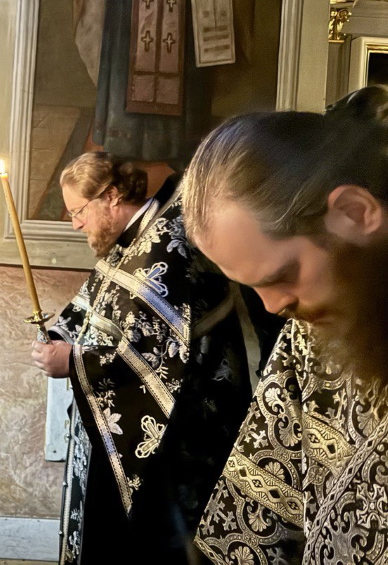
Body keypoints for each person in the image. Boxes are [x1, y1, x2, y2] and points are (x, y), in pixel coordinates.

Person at [182, 92, 388, 564]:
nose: (274, 306)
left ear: (355, 212)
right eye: (253, 288)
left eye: (283, 275)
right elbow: (252, 523)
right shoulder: (308, 335)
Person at [30, 152, 252, 564]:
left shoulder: (163, 247)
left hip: (173, 431)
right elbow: (94, 299)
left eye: (78, 211)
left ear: (112, 196)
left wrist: (73, 362)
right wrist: (60, 332)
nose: (75, 223)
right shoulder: (131, 237)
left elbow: (157, 353)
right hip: (121, 422)